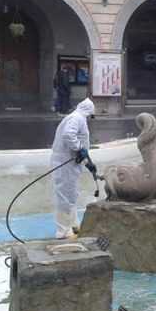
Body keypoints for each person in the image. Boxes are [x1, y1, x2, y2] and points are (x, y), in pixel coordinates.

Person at [51, 97, 97, 239]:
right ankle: (63, 231)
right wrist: (79, 149)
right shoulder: (77, 118)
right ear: (88, 112)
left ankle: (72, 227)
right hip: (64, 162)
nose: (90, 118)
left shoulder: (76, 118)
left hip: (69, 162)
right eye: (90, 116)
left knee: (71, 195)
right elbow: (68, 135)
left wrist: (87, 161)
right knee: (65, 196)